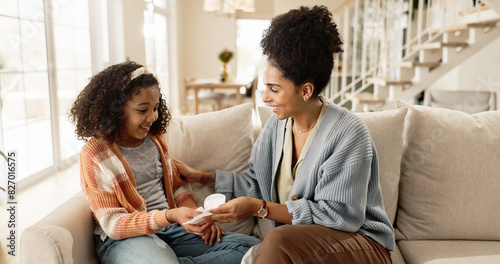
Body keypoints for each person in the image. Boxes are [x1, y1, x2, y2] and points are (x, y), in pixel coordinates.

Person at [175, 5, 395, 263]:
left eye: (274, 89)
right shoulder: (276, 126)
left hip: (358, 243)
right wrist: (201, 177)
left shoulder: (349, 134)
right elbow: (255, 185)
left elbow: (339, 216)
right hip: (297, 246)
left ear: (306, 90)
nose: (265, 97)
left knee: (276, 240)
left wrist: (260, 209)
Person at [69, 61, 260, 264]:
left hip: (170, 230)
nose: (152, 117)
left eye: (155, 107)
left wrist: (197, 218)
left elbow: (176, 185)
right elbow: (114, 225)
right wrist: (169, 216)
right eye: (142, 110)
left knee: (257, 249)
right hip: (126, 239)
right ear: (115, 110)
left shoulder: (155, 138)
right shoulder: (95, 154)